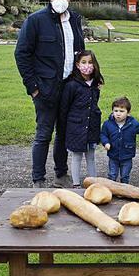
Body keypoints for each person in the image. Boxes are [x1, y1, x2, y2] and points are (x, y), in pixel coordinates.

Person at [14, 0, 85, 188]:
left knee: (64, 132)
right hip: (45, 88)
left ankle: (61, 175)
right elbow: (21, 54)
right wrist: (33, 88)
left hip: (69, 87)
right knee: (44, 133)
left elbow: (81, 53)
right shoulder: (36, 20)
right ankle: (38, 178)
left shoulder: (75, 20)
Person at [60, 50, 103, 187]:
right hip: (76, 128)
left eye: (90, 62)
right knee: (77, 156)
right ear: (77, 65)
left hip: (91, 127)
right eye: (84, 62)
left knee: (91, 156)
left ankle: (93, 183)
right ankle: (76, 184)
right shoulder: (71, 85)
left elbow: (94, 104)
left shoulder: (95, 85)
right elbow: (64, 108)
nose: (87, 65)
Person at [101, 97, 139, 185]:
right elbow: (103, 134)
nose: (118, 114)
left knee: (125, 176)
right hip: (113, 155)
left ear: (128, 113)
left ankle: (124, 192)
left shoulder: (133, 123)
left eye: (121, 111)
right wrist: (106, 143)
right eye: (116, 111)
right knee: (112, 175)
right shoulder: (108, 124)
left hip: (127, 155)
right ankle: (111, 190)